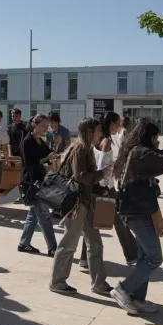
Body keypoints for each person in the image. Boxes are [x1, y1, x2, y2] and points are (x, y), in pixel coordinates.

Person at [109, 118, 163, 315]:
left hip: (134, 210)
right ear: (151, 137)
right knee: (154, 258)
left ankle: (136, 299)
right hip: (138, 212)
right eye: (156, 137)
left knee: (144, 257)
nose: (157, 140)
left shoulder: (133, 150)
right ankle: (124, 290)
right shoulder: (142, 152)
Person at [50, 117, 112, 296]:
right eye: (99, 130)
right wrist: (102, 174)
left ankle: (99, 282)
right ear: (90, 131)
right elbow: (81, 176)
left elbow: (86, 179)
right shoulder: (80, 148)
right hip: (76, 205)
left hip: (86, 202)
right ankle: (57, 281)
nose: (101, 134)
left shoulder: (86, 148)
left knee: (95, 243)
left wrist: (100, 188)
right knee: (69, 243)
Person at [78, 111, 138, 269]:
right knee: (118, 221)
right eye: (118, 123)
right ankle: (133, 255)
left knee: (93, 224)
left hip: (99, 187)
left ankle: (85, 259)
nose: (120, 126)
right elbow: (102, 168)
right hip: (105, 188)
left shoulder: (97, 140)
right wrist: (103, 187)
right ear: (112, 124)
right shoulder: (106, 142)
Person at [17, 114, 58, 256]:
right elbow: (30, 164)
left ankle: (24, 243)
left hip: (40, 180)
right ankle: (53, 248)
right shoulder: (27, 142)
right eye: (43, 126)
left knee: (33, 215)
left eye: (47, 126)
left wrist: (54, 154)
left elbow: (47, 157)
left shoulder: (40, 141)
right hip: (31, 182)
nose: (46, 129)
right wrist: (47, 158)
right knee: (44, 216)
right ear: (35, 125)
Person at [8, 108, 27, 203]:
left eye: (15, 116)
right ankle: (21, 195)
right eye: (12, 116)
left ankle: (25, 195)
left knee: (23, 175)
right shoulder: (10, 127)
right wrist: (10, 154)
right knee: (16, 176)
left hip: (24, 155)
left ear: (20, 116)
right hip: (14, 154)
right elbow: (9, 142)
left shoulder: (25, 126)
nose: (13, 118)